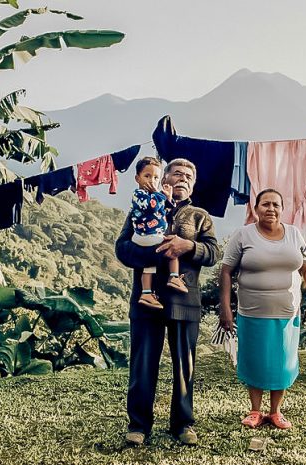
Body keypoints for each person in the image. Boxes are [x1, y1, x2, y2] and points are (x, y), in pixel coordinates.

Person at [115, 158, 220, 446]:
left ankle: (183, 424)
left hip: (185, 302)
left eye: (188, 175)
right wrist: (157, 251)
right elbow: (122, 249)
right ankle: (138, 425)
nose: (182, 178)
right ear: (165, 178)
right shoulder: (141, 207)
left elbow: (213, 253)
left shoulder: (200, 216)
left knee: (185, 366)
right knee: (142, 365)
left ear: (193, 183)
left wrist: (188, 246)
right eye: (177, 173)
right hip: (145, 301)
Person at [219, 188, 306, 430]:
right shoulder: (243, 235)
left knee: (282, 362)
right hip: (252, 312)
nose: (271, 209)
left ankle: (275, 412)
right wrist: (225, 307)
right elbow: (225, 271)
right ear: (256, 208)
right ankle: (255, 411)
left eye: (276, 204)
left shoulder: (295, 235)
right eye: (265, 204)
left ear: (282, 209)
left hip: (287, 313)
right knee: (254, 361)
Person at [129, 157, 188, 309]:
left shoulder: (155, 195)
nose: (151, 180)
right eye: (147, 176)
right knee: (172, 249)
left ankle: (146, 293)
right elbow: (152, 206)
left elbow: (165, 208)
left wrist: (167, 197)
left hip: (149, 238)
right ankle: (174, 277)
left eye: (155, 177)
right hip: (146, 235)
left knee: (148, 266)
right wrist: (159, 193)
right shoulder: (139, 194)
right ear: (137, 178)